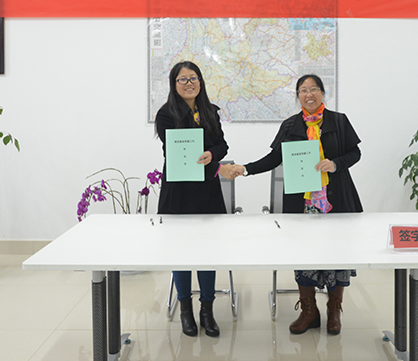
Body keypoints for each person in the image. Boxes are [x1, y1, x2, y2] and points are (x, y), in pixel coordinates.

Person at [226, 74, 362, 335]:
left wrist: (335, 164)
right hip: (302, 203)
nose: (309, 94)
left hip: (336, 200)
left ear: (323, 93)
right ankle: (309, 311)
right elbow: (273, 158)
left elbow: (355, 153)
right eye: (303, 90)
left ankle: (334, 310)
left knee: (337, 254)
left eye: (314, 89)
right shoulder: (290, 125)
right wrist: (245, 169)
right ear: (298, 96)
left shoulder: (339, 121)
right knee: (303, 254)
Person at [155, 61, 229, 337]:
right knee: (181, 251)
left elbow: (222, 144)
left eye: (194, 78)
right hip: (178, 191)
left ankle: (207, 310)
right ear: (174, 85)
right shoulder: (166, 114)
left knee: (208, 252)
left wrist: (212, 154)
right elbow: (177, 149)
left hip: (208, 191)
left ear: (201, 82)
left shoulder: (211, 111)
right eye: (183, 79)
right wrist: (210, 157)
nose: (189, 83)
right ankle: (185, 310)